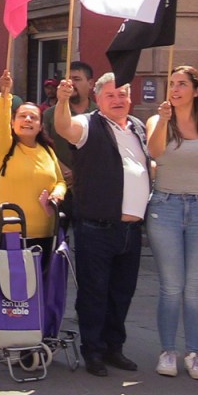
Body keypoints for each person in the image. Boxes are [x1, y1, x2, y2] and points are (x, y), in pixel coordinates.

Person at [54, 72, 149, 377]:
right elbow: (64, 127)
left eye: (122, 94)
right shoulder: (87, 123)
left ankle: (113, 348)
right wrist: (62, 100)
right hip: (97, 227)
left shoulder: (137, 126)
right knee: (94, 292)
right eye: (110, 95)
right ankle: (93, 351)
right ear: (97, 99)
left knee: (122, 292)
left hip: (131, 230)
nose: (118, 100)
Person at [145, 65, 198, 379]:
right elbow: (154, 153)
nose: (175, 89)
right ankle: (168, 351)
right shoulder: (158, 119)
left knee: (195, 288)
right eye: (172, 83)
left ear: (196, 90)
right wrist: (164, 120)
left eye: (182, 84)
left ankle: (193, 353)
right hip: (164, 207)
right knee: (171, 287)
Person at [0, 70, 66, 259]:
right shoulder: (4, 148)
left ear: (41, 126)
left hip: (47, 233)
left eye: (33, 117)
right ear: (13, 123)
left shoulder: (48, 151)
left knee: (42, 286)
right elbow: (0, 123)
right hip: (10, 232)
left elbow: (61, 181)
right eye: (22, 116)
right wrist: (5, 94)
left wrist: (58, 193)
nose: (27, 120)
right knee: (14, 288)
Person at [43, 61, 95, 189]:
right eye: (67, 79)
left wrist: (80, 172)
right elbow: (42, 147)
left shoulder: (99, 114)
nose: (70, 84)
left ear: (90, 83)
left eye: (76, 79)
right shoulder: (50, 114)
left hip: (91, 184)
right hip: (59, 185)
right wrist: (61, 169)